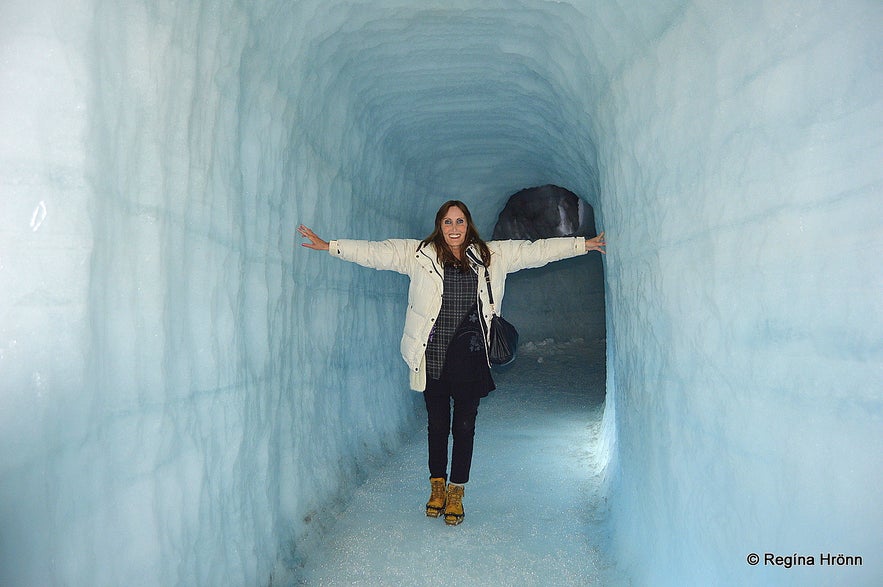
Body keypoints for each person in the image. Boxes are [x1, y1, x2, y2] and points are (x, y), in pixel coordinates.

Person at [298, 200, 605, 526]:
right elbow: (377, 253)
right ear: (439, 226)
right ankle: (437, 486)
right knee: (437, 425)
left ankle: (456, 490)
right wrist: (330, 246)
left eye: (459, 221)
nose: (454, 228)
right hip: (433, 357)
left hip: (472, 357)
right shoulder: (419, 254)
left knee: (464, 427)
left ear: (468, 224)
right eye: (448, 222)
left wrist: (582, 244)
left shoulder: (491, 255)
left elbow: (535, 251)